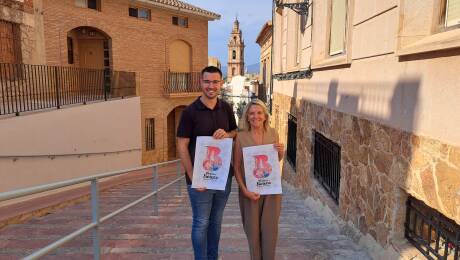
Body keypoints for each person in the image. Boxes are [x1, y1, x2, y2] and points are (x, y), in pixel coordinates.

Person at [176, 66, 237, 260]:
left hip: (223, 177)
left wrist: (227, 134)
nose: (211, 86)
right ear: (201, 83)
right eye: (207, 81)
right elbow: (182, 145)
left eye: (215, 82)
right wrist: (193, 176)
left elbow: (235, 132)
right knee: (201, 222)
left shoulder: (226, 108)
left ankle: (213, 257)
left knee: (216, 222)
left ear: (221, 83)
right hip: (199, 179)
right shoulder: (190, 112)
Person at [233, 99, 284, 260]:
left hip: (271, 191)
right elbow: (236, 167)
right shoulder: (241, 137)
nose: (256, 116)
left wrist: (281, 151)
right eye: (252, 113)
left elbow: (275, 161)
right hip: (250, 192)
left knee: (270, 232)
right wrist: (245, 190)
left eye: (259, 113)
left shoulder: (273, 133)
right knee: (253, 233)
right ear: (247, 117)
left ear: (265, 115)